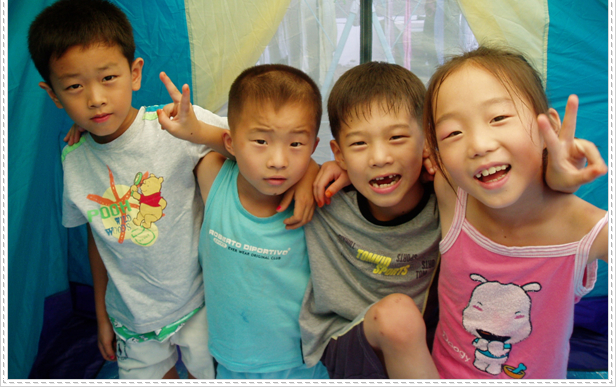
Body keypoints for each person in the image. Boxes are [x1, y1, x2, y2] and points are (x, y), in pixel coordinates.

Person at [27, 0, 312, 379]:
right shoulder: (74, 159)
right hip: (132, 316)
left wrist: (309, 172)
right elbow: (98, 236)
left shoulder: (174, 125)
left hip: (201, 303)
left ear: (135, 73)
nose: (96, 99)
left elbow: (259, 144)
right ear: (53, 95)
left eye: (108, 78)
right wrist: (102, 313)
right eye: (75, 86)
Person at [417, 45, 609, 379]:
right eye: (453, 133)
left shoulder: (587, 230)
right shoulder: (451, 194)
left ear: (549, 128)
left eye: (498, 118)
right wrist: (332, 170)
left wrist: (555, 182)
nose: (479, 145)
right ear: (436, 154)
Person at [157, 64, 329, 379]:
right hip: (229, 363)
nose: (278, 161)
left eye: (295, 144)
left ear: (313, 147)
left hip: (301, 364)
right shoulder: (213, 177)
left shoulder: (316, 198)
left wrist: (313, 170)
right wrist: (89, 130)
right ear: (231, 143)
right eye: (261, 141)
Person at [299, 62, 441, 379]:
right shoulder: (323, 199)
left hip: (424, 343)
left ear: (426, 139)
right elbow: (252, 139)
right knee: (398, 317)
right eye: (359, 144)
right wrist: (310, 170)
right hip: (344, 340)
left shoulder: (447, 201)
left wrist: (444, 160)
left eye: (397, 137)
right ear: (339, 154)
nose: (379, 158)